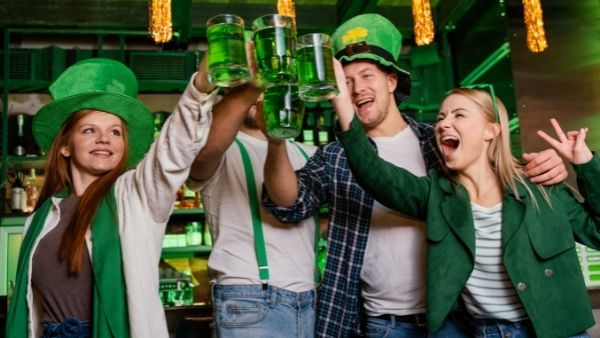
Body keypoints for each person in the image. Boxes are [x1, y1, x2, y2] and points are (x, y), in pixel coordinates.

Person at [261, 13, 569, 338]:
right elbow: (289, 204)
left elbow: (500, 176)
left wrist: (547, 166)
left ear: (392, 81)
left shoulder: (438, 142)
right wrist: (276, 138)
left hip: (459, 316)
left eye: (367, 75)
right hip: (383, 323)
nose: (356, 89)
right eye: (346, 82)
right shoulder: (337, 156)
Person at [333, 78, 598, 337]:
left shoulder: (539, 187)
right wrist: (343, 102)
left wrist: (585, 163)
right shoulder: (434, 194)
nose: (443, 124)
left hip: (557, 330)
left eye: (459, 115)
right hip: (485, 331)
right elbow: (375, 173)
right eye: (440, 118)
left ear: (491, 131)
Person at [6, 57, 219, 338]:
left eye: (115, 132)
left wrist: (200, 88)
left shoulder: (136, 197)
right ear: (66, 147)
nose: (104, 138)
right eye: (89, 130)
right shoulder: (40, 219)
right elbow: (29, 309)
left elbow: (174, 148)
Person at [185, 47, 319, 337]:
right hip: (249, 295)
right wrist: (252, 83)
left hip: (310, 296)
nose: (260, 95)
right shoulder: (221, 147)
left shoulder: (309, 153)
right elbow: (205, 151)